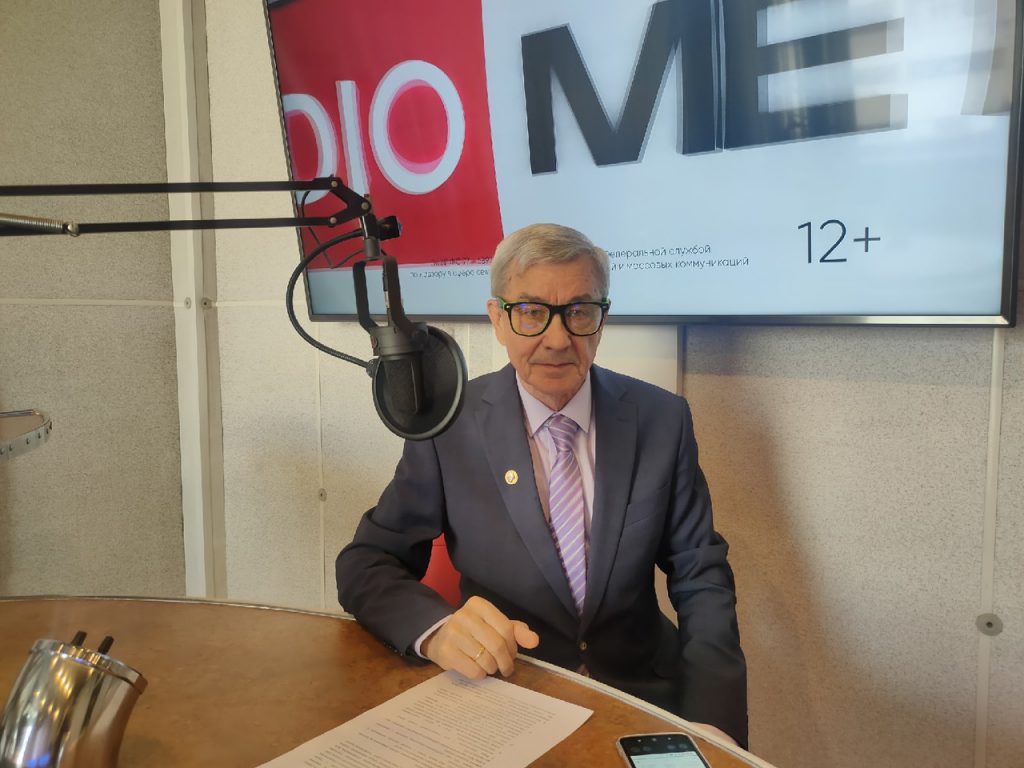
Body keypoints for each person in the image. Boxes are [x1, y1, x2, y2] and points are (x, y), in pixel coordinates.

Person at [336, 223, 747, 746]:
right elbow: (366, 562)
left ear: (601, 320)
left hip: (640, 697)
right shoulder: (448, 425)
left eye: (579, 311)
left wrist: (712, 721)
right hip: (508, 696)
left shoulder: (662, 419)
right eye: (531, 312)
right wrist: (436, 630)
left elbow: (700, 574)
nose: (557, 339)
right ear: (497, 319)